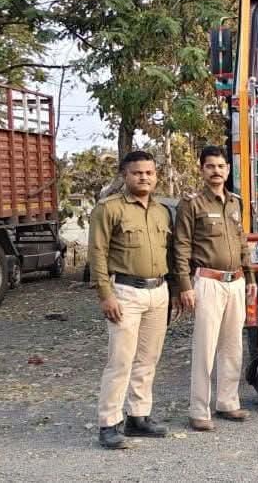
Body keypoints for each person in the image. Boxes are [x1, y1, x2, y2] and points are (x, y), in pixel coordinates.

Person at [89, 150, 174, 449]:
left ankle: (139, 416)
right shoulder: (109, 208)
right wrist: (105, 294)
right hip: (125, 292)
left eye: (149, 173)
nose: (144, 177)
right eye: (137, 173)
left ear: (156, 176)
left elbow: (169, 253)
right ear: (124, 175)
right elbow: (97, 253)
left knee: (148, 358)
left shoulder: (162, 210)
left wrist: (174, 291)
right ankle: (109, 423)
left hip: (158, 291)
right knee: (120, 360)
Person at [173, 145, 256, 431]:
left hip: (236, 281)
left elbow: (242, 241)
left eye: (221, 166)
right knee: (205, 348)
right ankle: (199, 410)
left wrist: (251, 277)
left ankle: (227, 402)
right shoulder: (192, 204)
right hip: (207, 281)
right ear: (202, 170)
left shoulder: (235, 202)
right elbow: (181, 246)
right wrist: (184, 285)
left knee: (232, 346)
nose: (216, 171)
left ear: (228, 170)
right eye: (210, 166)